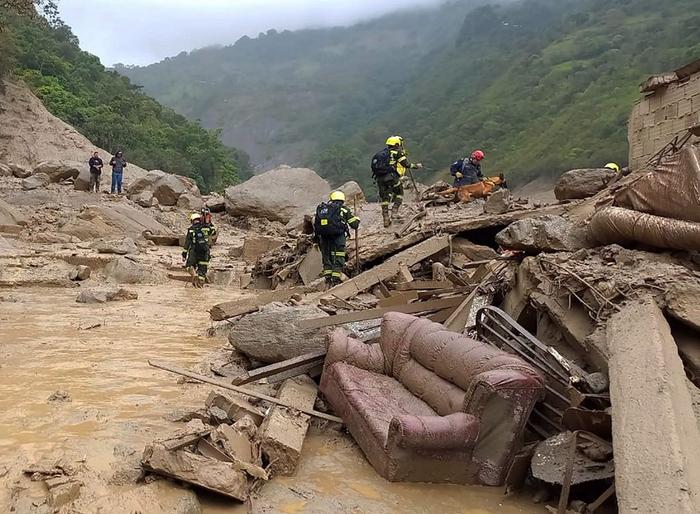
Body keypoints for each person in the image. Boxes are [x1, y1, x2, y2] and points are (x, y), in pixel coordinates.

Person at [371, 135, 423, 227]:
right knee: (399, 193)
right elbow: (406, 164)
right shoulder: (397, 152)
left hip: (379, 178)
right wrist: (417, 166)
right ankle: (394, 213)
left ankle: (386, 219)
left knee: (385, 198)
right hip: (391, 177)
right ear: (396, 144)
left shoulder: (382, 153)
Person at [313, 191, 360, 286]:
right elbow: (354, 225)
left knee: (327, 256)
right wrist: (357, 219)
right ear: (342, 200)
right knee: (338, 256)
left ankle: (328, 279)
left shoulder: (324, 210)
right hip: (338, 237)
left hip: (324, 236)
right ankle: (335, 279)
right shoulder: (344, 210)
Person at [182, 212, 210, 288]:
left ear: (192, 220)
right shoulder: (206, 228)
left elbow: (187, 243)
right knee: (202, 270)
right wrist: (208, 222)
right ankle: (200, 286)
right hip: (205, 252)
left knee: (189, 266)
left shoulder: (191, 230)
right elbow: (213, 233)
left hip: (194, 251)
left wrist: (184, 254)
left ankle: (194, 275)